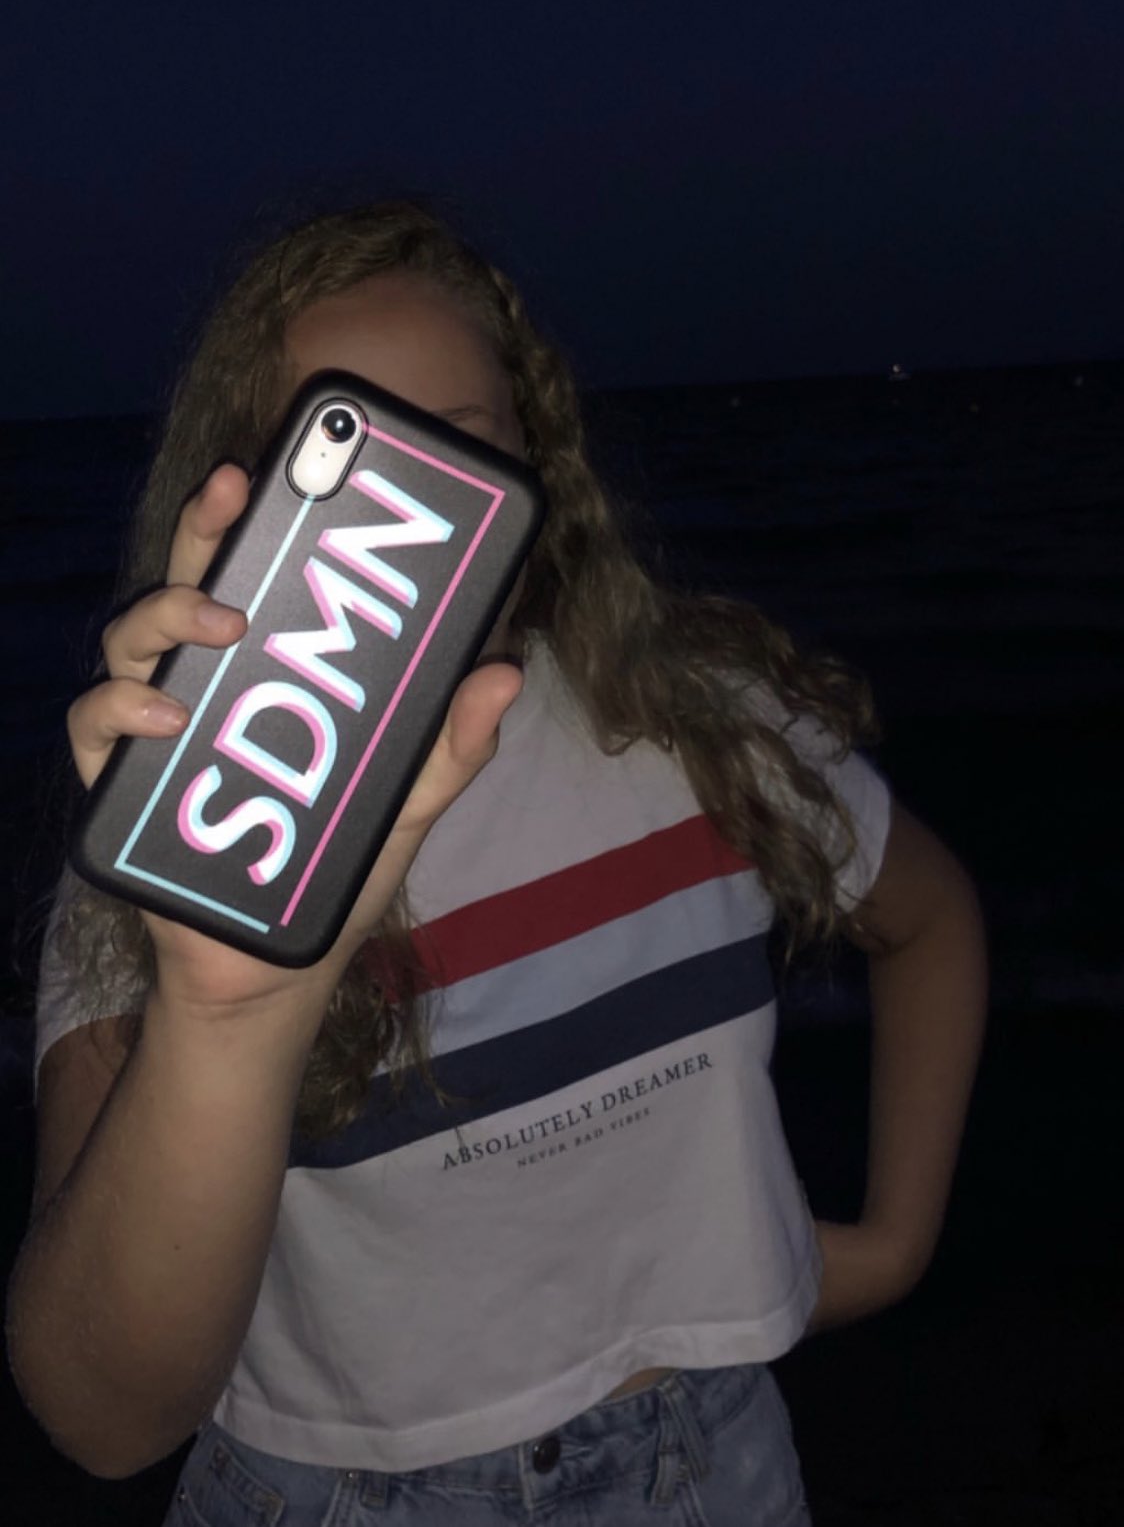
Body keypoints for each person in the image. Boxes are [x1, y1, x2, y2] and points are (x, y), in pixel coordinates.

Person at [6, 201, 988, 1525]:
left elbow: (929, 920)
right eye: (349, 460)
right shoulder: (188, 851)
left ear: (537, 467)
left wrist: (896, 1244)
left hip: (714, 1467)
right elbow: (104, 1417)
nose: (408, 514)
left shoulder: (701, 725)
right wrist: (230, 1014)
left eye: (455, 448)